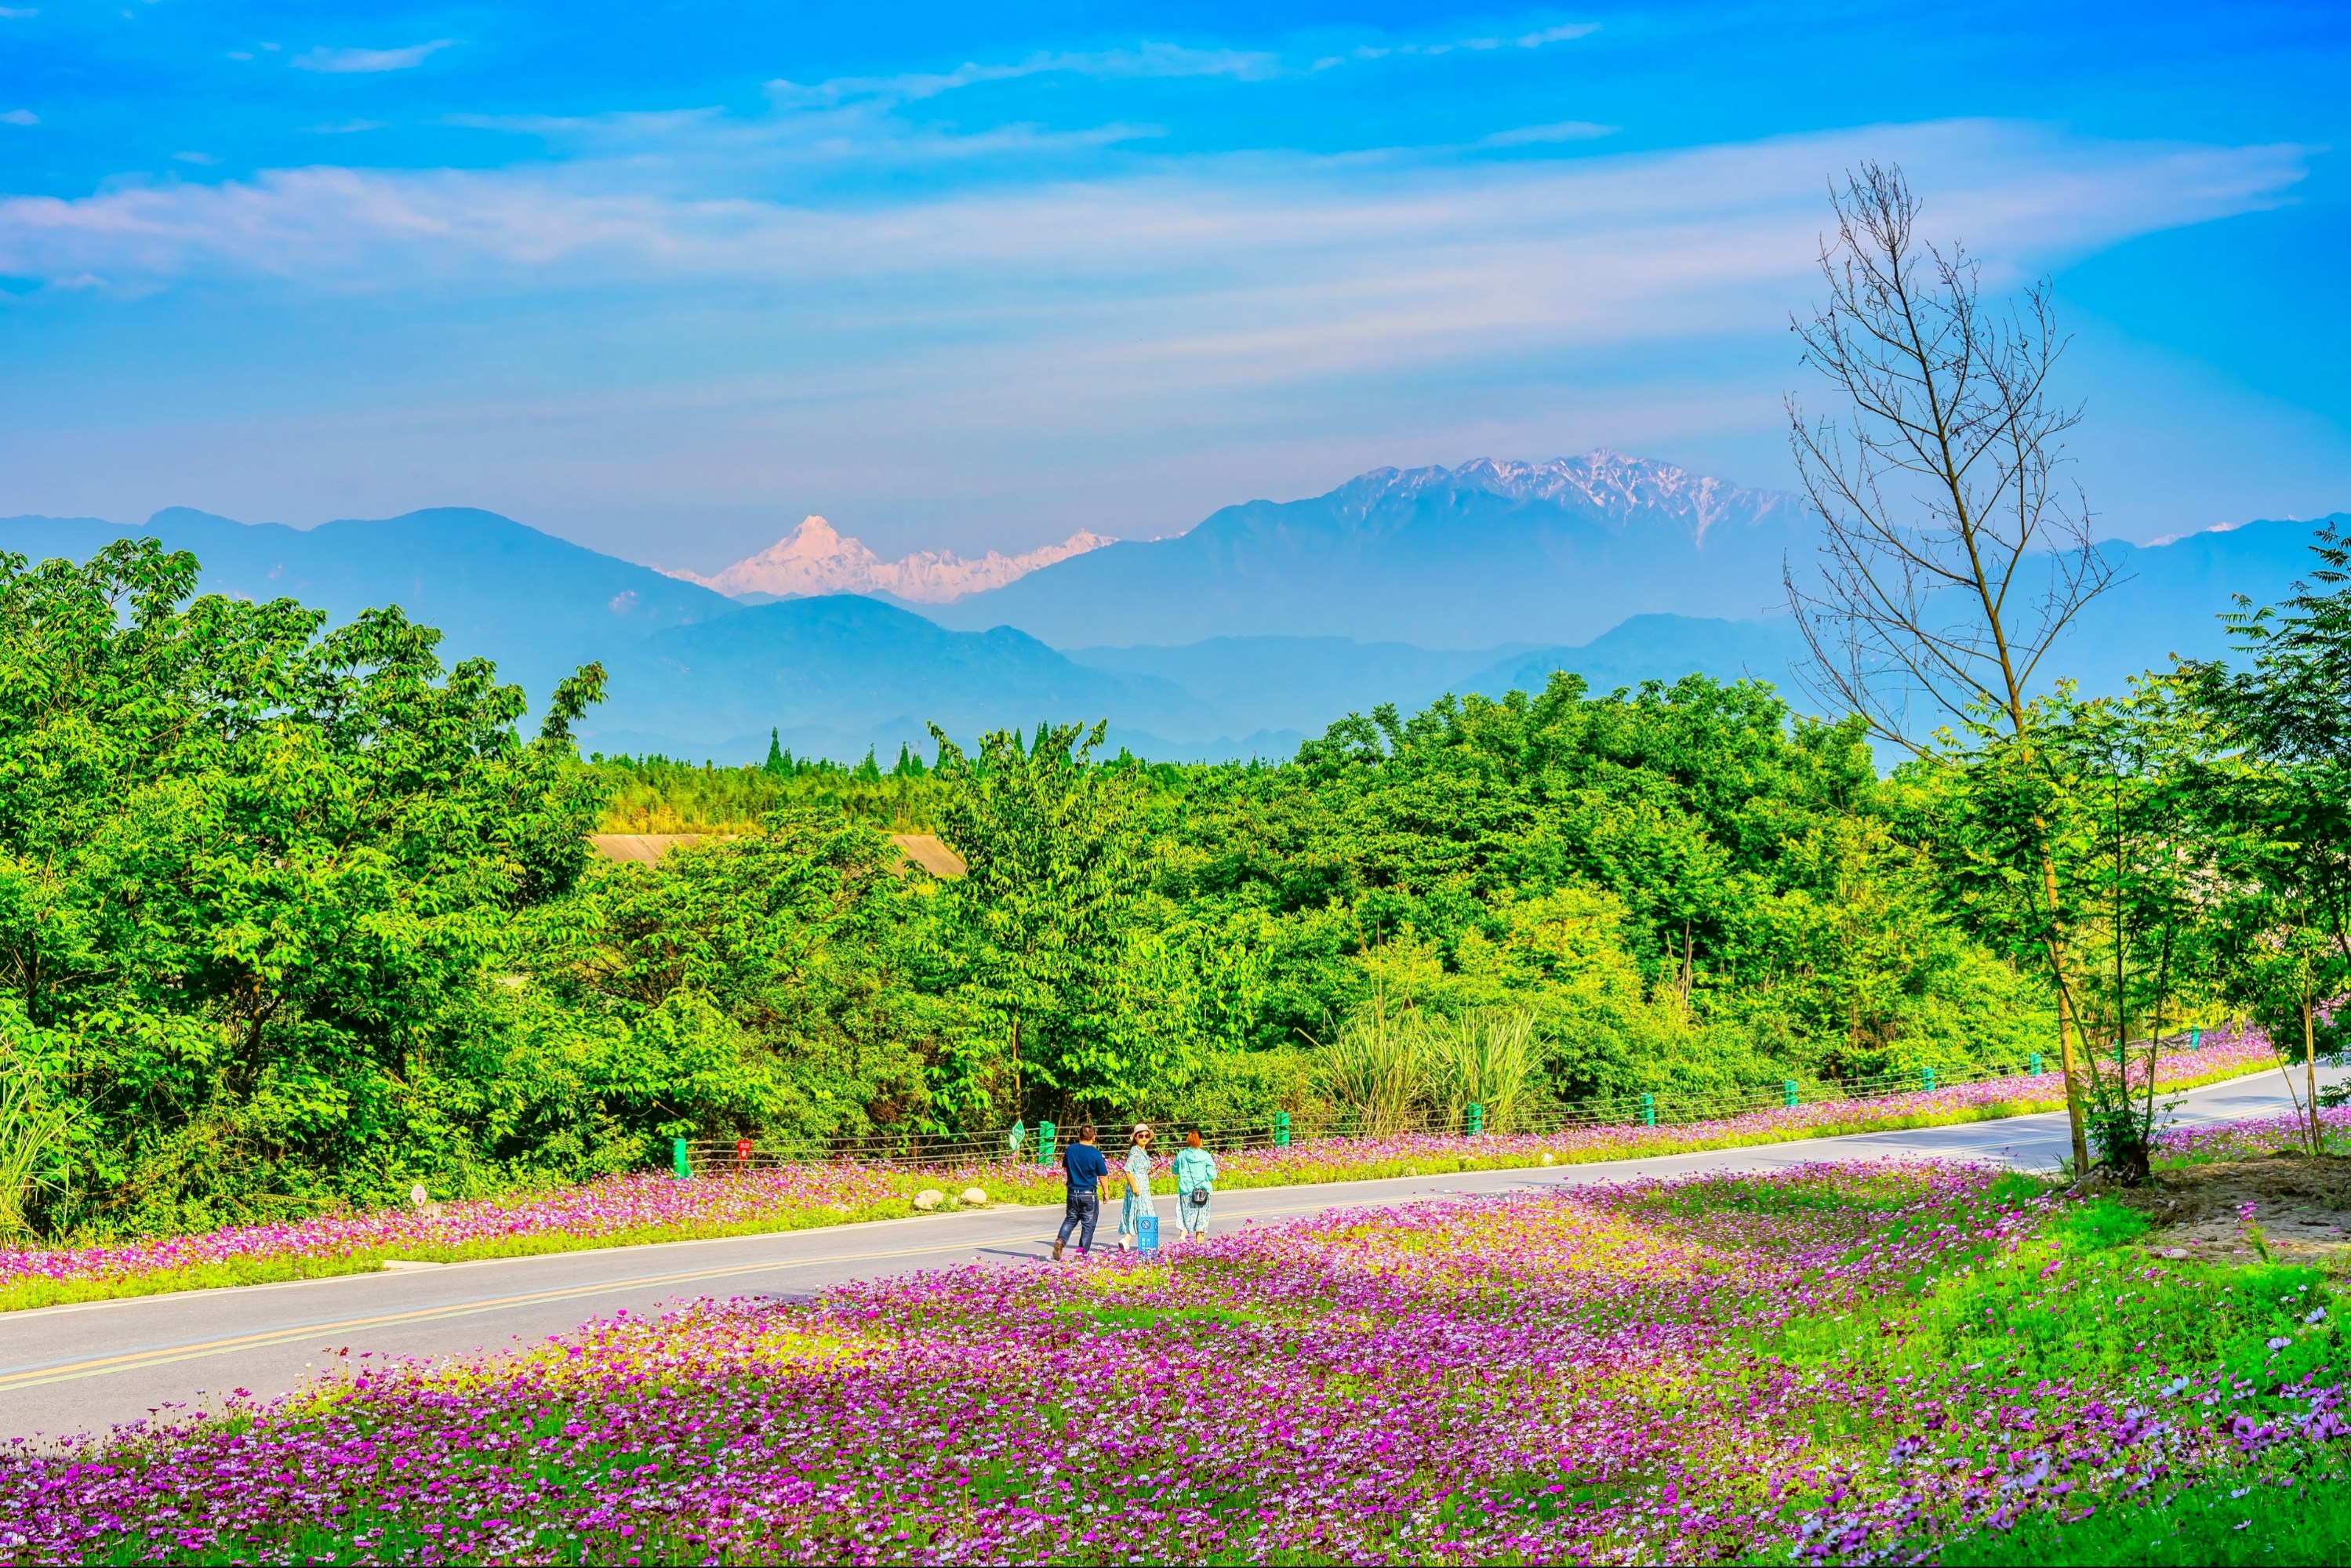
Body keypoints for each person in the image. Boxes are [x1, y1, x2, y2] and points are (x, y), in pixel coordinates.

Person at [1052, 1124, 1108, 1261]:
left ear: (1079, 1135)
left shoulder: (1070, 1150)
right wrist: (1106, 1192)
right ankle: (1081, 1255)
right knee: (1088, 1225)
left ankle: (1061, 1240)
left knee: (1071, 1219)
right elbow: (1102, 1175)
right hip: (1089, 1193)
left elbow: (1066, 1166)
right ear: (1094, 1137)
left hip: (1072, 1192)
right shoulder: (1096, 1154)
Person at [1172, 1128, 1218, 1241]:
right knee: (1201, 1220)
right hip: (1202, 1193)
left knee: (1185, 1217)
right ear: (1201, 1140)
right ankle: (1199, 1245)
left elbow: (1175, 1170)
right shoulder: (1206, 1156)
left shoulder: (1181, 1155)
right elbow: (1212, 1176)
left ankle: (1183, 1236)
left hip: (1185, 1192)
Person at [1117, 1123, 1155, 1251]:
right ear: (1135, 1138)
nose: (1144, 1138)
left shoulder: (1143, 1151)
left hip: (1144, 1186)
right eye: (1141, 1136)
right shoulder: (1135, 1151)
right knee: (1143, 1214)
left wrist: (1148, 1171)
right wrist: (1135, 1187)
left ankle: (1127, 1240)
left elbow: (1139, 1169)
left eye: (1146, 1135)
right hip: (1138, 1188)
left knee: (1141, 1214)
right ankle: (1142, 1242)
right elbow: (1128, 1170)